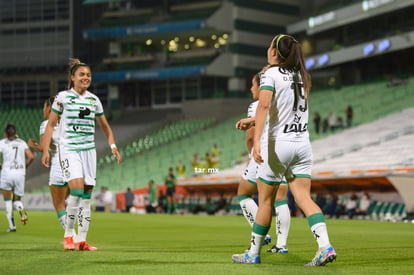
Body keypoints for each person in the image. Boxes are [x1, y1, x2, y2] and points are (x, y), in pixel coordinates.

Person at [232, 34, 336, 266]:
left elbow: (265, 104)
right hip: (302, 145)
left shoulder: (269, 74)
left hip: (279, 145)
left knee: (266, 200)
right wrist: (251, 121)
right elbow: (285, 107)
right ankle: (325, 246)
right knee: (303, 198)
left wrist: (256, 141)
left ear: (273, 52)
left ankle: (253, 253)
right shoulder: (301, 75)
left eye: (270, 45)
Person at [41, 58, 122, 251]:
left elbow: (106, 128)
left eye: (88, 75)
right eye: (82, 75)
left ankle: (82, 240)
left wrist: (112, 146)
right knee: (76, 191)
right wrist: (45, 150)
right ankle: (69, 235)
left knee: (86, 197)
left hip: (89, 151)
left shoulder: (94, 100)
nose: (86, 77)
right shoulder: (62, 97)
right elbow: (51, 124)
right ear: (73, 77)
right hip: (69, 149)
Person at [235, 72, 290, 253]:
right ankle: (281, 244)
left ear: (261, 85)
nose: (252, 88)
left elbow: (251, 136)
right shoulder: (282, 101)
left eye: (253, 85)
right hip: (284, 150)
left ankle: (260, 233)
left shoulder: (257, 105)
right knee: (280, 199)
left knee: (244, 194)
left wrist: (251, 156)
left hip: (263, 153)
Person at [28, 96, 70, 231]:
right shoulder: (67, 122)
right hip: (74, 164)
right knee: (67, 200)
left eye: (43, 107)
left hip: (58, 164)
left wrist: (32, 144)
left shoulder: (46, 124)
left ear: (48, 108)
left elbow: (43, 146)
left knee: (58, 203)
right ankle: (76, 235)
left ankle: (71, 236)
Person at [0, 124, 34, 232]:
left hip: (7, 173)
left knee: (7, 200)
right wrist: (25, 167)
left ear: (6, 133)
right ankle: (20, 208)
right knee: (17, 200)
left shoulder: (2, 143)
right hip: (19, 173)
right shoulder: (22, 143)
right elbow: (31, 157)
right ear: (15, 133)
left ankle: (12, 226)